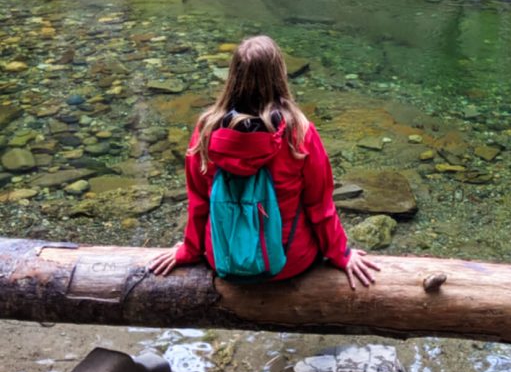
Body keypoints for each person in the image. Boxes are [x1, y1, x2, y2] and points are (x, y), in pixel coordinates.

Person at [149, 35, 379, 290]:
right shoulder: (299, 133)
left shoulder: (205, 130)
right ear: (279, 75)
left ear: (233, 76)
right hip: (289, 263)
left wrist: (189, 251)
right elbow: (320, 205)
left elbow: (199, 202)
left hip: (223, 261)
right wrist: (342, 255)